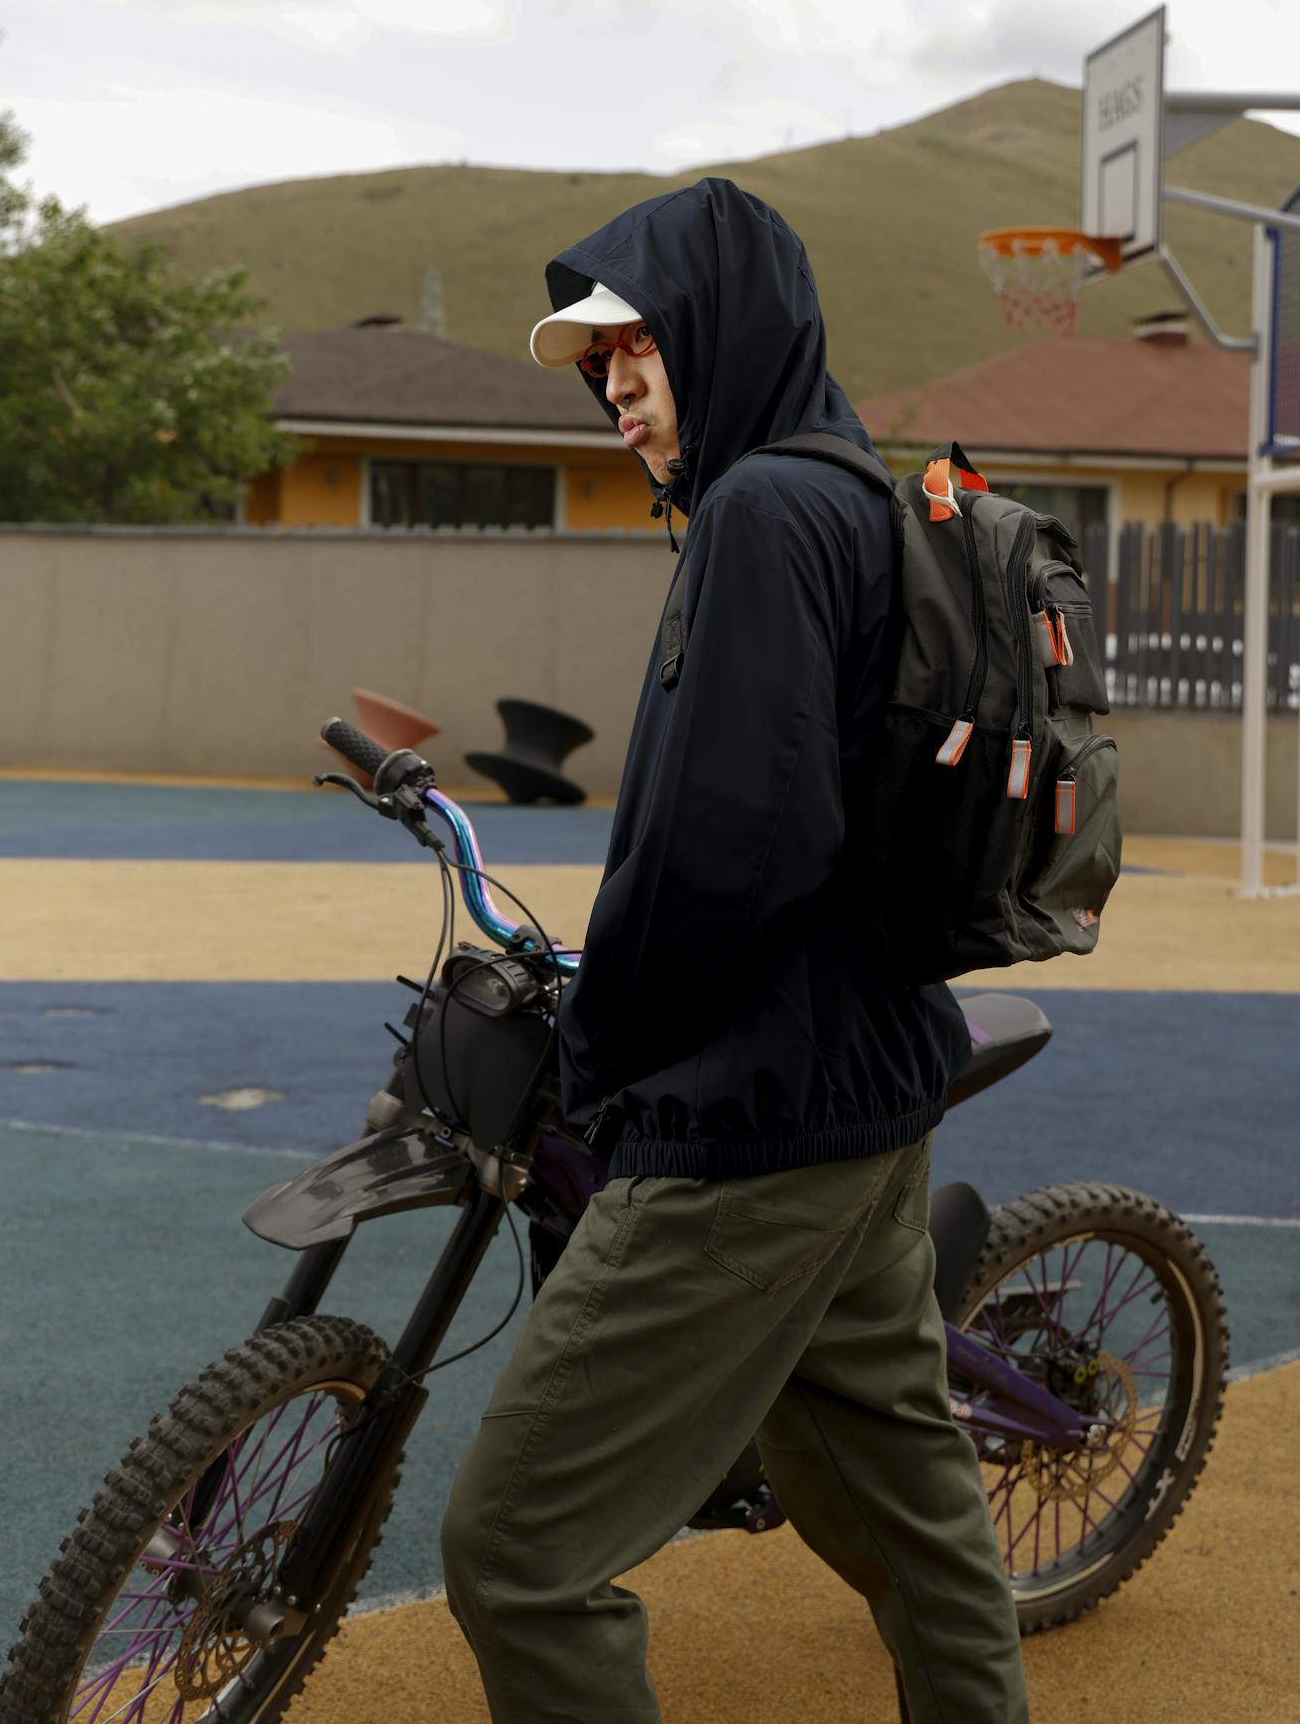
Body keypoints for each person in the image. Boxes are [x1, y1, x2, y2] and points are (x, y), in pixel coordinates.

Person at [440, 177, 1029, 1722]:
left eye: (640, 348)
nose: (616, 388)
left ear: (723, 333)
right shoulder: (855, 494)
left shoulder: (763, 512)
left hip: (753, 1117)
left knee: (516, 1549)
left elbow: (729, 843)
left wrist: (603, 1049)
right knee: (898, 1498)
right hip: (873, 1086)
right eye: (597, 365)